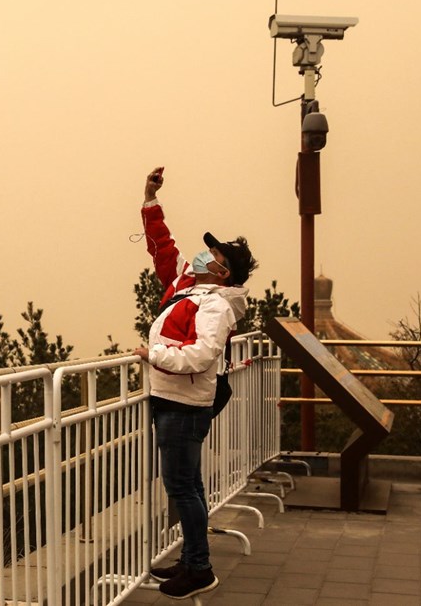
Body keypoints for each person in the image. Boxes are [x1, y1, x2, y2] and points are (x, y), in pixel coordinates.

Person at [133, 166, 257, 600]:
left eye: (213, 256)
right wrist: (150, 199)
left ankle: (200, 568)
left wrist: (154, 356)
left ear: (222, 274)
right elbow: (162, 249)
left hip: (183, 404)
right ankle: (191, 559)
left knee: (182, 486)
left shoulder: (215, 307)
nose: (203, 256)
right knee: (189, 483)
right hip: (174, 399)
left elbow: (202, 356)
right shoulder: (190, 285)